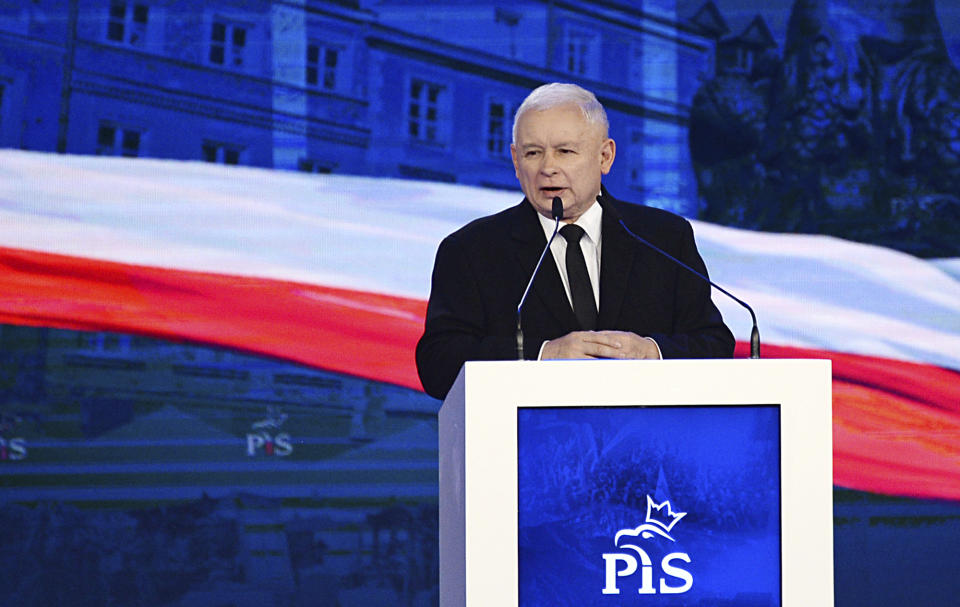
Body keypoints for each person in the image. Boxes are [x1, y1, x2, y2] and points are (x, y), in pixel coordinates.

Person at [416, 83, 734, 400]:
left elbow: (714, 343)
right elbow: (439, 363)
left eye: (565, 151)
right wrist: (544, 355)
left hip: (648, 440)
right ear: (515, 161)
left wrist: (650, 351)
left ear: (605, 156)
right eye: (532, 153)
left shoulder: (663, 237)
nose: (548, 168)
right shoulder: (472, 249)